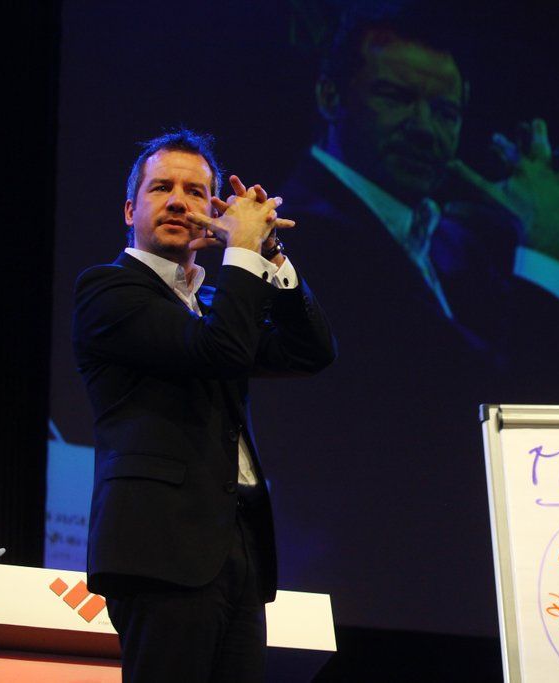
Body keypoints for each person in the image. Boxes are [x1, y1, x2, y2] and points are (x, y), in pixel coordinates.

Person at [264, 2, 559, 639]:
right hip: (363, 620)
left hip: (477, 620)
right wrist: (542, 245)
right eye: (396, 98)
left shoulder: (460, 244)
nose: (425, 129)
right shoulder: (296, 239)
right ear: (330, 96)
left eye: (445, 111)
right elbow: (484, 416)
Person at [72, 129, 335, 681]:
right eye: (160, 188)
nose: (177, 201)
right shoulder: (108, 290)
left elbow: (310, 352)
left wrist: (270, 252)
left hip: (237, 547)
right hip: (161, 548)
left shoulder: (216, 303)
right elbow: (218, 351)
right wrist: (241, 251)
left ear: (212, 213)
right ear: (130, 210)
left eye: (195, 192)